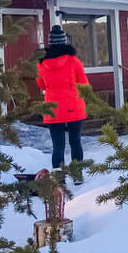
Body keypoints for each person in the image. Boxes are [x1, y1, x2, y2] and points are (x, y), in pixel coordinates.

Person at [36, 24, 89, 168]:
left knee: (58, 147)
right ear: (64, 41)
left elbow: (41, 84)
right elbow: (84, 83)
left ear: (50, 43)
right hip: (74, 107)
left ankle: (59, 182)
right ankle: (77, 176)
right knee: (75, 142)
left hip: (52, 109)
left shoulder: (41, 63)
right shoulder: (73, 61)